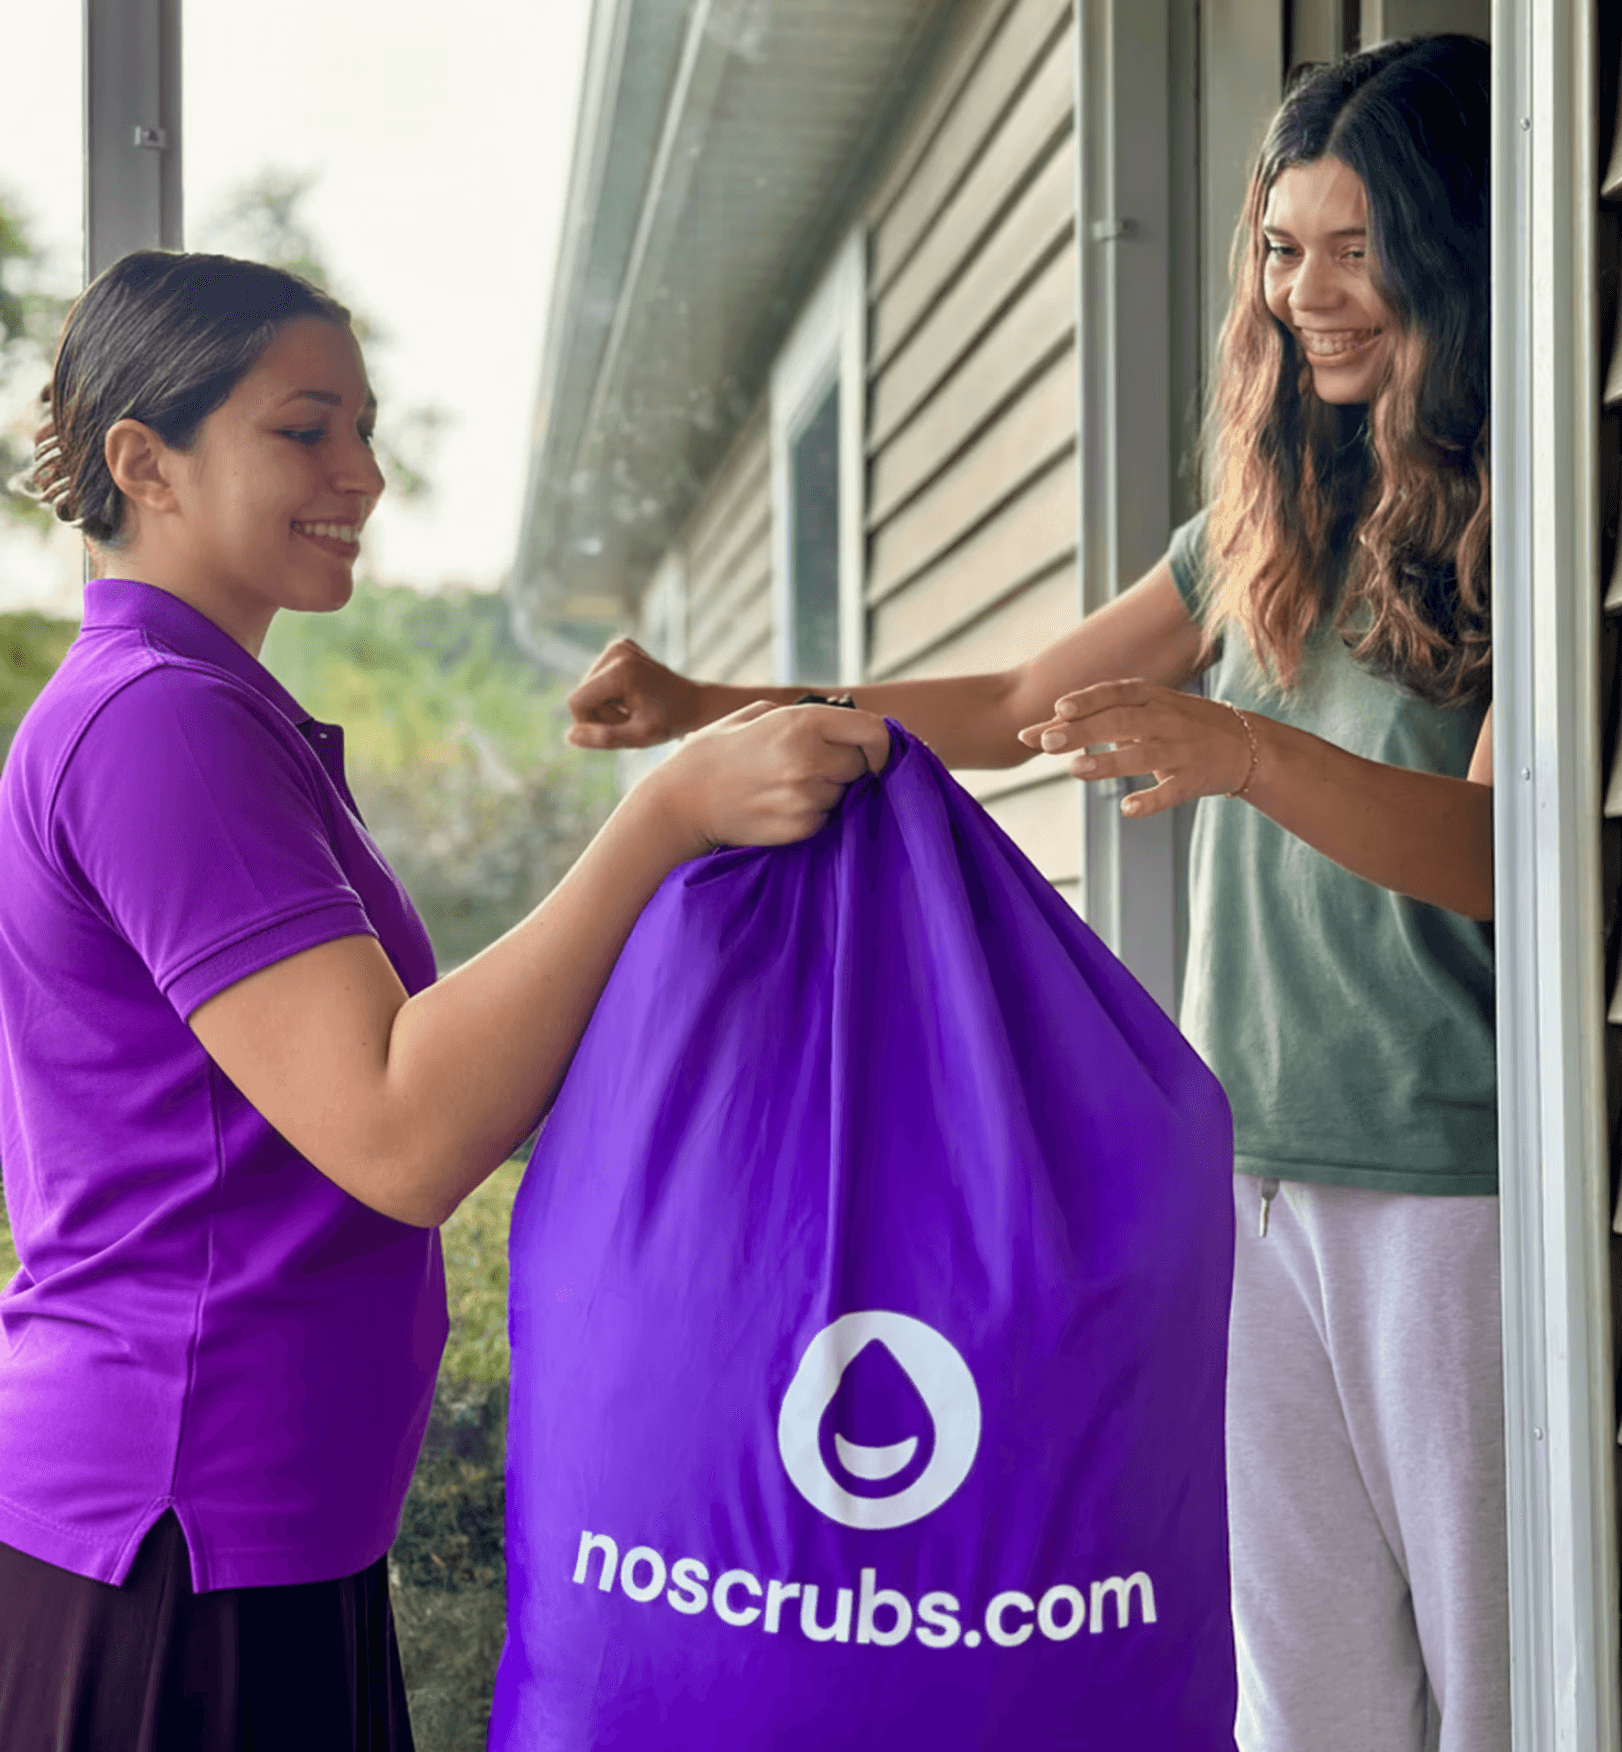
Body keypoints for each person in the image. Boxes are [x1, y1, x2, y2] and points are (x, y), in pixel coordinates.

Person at [566, 35, 1500, 1752]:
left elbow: (1494, 854)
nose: (1305, 295)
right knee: (1304, 1702)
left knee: (1500, 1682)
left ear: (1452, 250)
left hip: (1452, 1184)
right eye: (1280, 249)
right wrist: (713, 706)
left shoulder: (1522, 523)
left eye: (1355, 250)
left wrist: (1244, 751)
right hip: (1246, 1177)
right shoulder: (1261, 524)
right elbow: (1009, 706)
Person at [0, 249, 889, 1752]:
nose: (364, 473)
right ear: (144, 464)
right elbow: (400, 1133)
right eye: (306, 430)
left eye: (363, 428)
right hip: (179, 1534)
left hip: (253, 1521)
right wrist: (663, 818)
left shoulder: (203, 711)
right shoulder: (162, 725)